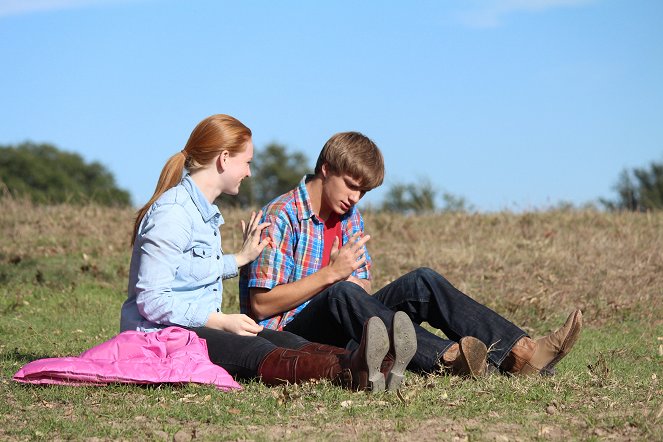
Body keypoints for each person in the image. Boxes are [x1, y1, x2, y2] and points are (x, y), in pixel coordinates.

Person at [240, 131, 583, 378]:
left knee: (422, 280)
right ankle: (448, 358)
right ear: (326, 169)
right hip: (289, 336)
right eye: (351, 184)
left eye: (364, 190)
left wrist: (350, 280)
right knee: (340, 292)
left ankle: (522, 354)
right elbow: (261, 306)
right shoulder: (281, 215)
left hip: (343, 316)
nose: (356, 197)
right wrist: (331, 275)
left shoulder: (349, 216)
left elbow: (361, 287)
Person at [119, 115, 418, 392]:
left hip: (191, 327)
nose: (249, 172)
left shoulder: (203, 213)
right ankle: (351, 372)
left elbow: (185, 270)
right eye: (246, 162)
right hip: (159, 337)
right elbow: (151, 301)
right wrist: (219, 321)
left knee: (286, 340)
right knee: (259, 349)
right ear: (224, 159)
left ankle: (377, 364)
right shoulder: (173, 213)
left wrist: (239, 258)